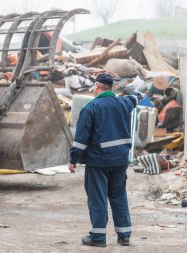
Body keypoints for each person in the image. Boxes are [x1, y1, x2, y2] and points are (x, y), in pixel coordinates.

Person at [68, 73, 141, 247]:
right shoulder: (123, 103)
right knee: (118, 196)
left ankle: (98, 238)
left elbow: (80, 139)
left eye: (94, 86)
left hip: (98, 162)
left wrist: (73, 159)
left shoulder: (90, 108)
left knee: (98, 198)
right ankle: (124, 236)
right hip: (120, 161)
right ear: (112, 88)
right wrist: (139, 95)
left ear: (97, 87)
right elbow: (135, 98)